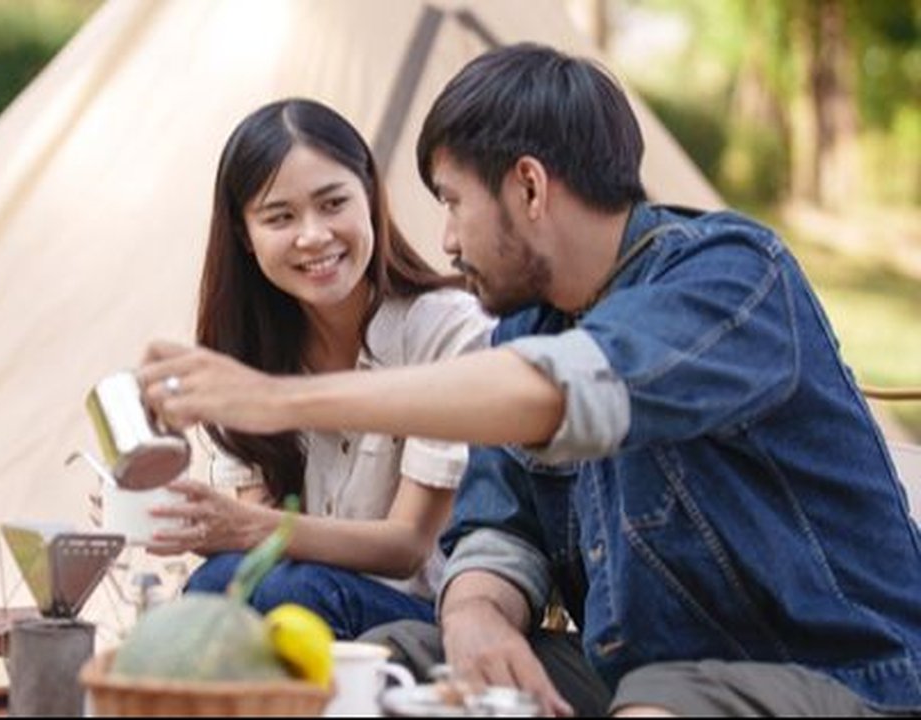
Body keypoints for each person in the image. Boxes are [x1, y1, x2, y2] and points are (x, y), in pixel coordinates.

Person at [137, 44, 921, 717]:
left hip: (842, 675)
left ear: (530, 188)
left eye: (452, 204)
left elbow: (567, 390)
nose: (444, 240)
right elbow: (497, 526)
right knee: (391, 659)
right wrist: (478, 613)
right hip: (626, 673)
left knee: (669, 704)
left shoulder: (730, 278)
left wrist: (274, 399)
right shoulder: (530, 325)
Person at [143, 98, 495, 641]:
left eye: (333, 204)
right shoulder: (245, 351)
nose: (313, 236)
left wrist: (248, 528)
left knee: (288, 593)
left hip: (424, 624)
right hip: (305, 604)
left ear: (372, 198)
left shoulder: (447, 330)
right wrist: (184, 517)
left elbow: (408, 547)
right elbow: (254, 549)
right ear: (244, 234)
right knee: (221, 585)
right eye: (280, 217)